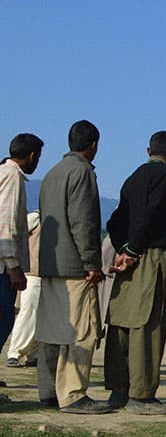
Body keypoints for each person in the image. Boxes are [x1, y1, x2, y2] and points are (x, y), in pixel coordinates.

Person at [104, 131, 166, 415]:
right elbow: (154, 210)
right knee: (149, 323)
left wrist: (123, 249)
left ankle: (118, 389)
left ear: (148, 149)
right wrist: (134, 250)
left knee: (122, 321)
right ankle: (142, 395)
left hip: (128, 257)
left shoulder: (133, 177)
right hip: (151, 255)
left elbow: (115, 220)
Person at [36, 120, 110, 414]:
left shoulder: (51, 174)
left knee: (51, 330)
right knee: (82, 331)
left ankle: (48, 392)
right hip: (75, 267)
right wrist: (92, 263)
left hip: (51, 264)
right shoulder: (82, 172)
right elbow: (84, 223)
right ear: (93, 145)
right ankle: (73, 394)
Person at [0, 133, 43, 378]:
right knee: (4, 319)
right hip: (4, 266)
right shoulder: (12, 177)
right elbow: (6, 224)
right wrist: (14, 266)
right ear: (32, 155)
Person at [6, 210, 41, 369]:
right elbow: (17, 235)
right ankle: (15, 352)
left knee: (39, 316)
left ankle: (34, 354)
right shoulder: (36, 217)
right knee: (28, 313)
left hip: (43, 274)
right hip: (32, 272)